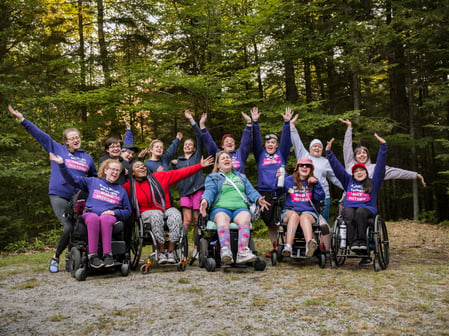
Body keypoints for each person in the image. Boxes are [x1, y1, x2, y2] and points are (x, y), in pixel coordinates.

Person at [8, 105, 97, 273]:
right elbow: (40, 135)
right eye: (72, 138)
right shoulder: (57, 148)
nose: (76, 140)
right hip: (59, 194)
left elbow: (93, 179)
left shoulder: (87, 158)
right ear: (66, 141)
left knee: (79, 227)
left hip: (78, 197)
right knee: (69, 226)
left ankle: (74, 257)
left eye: (77, 137)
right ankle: (55, 257)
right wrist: (22, 119)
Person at [124, 156, 214, 264]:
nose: (142, 168)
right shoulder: (128, 186)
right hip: (146, 213)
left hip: (164, 208)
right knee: (156, 215)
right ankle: (161, 251)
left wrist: (200, 166)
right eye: (138, 167)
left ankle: (171, 250)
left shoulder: (160, 177)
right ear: (132, 173)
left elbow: (181, 173)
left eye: (143, 166)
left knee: (175, 214)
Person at [49, 153, 132, 268]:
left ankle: (108, 255)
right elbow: (72, 179)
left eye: (118, 170)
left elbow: (128, 211)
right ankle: (92, 256)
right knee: (93, 217)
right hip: (89, 214)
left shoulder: (121, 190)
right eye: (112, 169)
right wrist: (62, 165)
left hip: (109, 217)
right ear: (106, 170)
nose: (115, 172)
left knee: (105, 218)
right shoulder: (93, 182)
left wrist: (114, 212)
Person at [326, 133, 387, 265]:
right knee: (347, 212)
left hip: (367, 209)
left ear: (366, 173)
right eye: (356, 171)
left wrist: (383, 147)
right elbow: (337, 169)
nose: (359, 173)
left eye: (362, 171)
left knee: (360, 211)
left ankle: (362, 242)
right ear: (353, 174)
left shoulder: (373, 182)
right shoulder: (348, 181)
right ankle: (353, 243)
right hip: (350, 208)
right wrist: (329, 153)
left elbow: (380, 168)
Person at [199, 151, 270, 264]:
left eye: (228, 158)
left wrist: (258, 199)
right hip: (220, 208)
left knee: (246, 216)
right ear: (217, 165)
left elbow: (250, 191)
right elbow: (210, 191)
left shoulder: (241, 177)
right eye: (223, 158)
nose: (226, 159)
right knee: (222, 218)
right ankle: (225, 250)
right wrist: (205, 200)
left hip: (240, 208)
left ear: (231, 162)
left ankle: (242, 252)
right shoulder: (213, 177)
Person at [252, 106, 293, 252]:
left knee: (283, 219)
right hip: (265, 191)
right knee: (269, 221)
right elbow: (255, 141)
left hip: (281, 190)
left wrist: (286, 123)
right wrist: (255, 123)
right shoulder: (260, 155)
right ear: (265, 145)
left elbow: (286, 141)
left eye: (273, 143)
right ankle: (276, 247)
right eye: (268, 142)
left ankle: (286, 245)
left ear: (277, 145)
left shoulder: (281, 153)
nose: (271, 144)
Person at [339, 118, 426, 187]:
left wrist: (415, 175)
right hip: (347, 200)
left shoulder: (375, 168)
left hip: (366, 202)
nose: (362, 155)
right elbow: (347, 147)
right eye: (359, 153)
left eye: (364, 153)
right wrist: (349, 128)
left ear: (368, 156)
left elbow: (395, 172)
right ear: (354, 157)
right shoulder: (350, 164)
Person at [290, 115, 343, 222]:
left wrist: (347, 186)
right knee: (308, 221)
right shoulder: (304, 155)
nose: (317, 148)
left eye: (319, 146)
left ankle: (324, 239)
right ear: (310, 148)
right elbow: (296, 142)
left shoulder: (326, 162)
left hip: (323, 197)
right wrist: (292, 126)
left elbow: (334, 178)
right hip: (305, 195)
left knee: (323, 223)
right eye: (314, 146)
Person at [174, 110, 207, 257]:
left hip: (198, 189)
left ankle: (197, 248)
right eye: (185, 144)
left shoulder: (196, 156)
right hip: (184, 192)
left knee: (196, 220)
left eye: (190, 145)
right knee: (186, 221)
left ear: (193, 148)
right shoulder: (177, 162)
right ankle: (182, 247)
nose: (187, 146)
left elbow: (199, 137)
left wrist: (192, 120)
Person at [280, 157, 326, 257]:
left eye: (307, 166)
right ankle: (288, 246)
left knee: (304, 217)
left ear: (311, 169)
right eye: (302, 165)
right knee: (294, 216)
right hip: (290, 210)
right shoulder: (288, 180)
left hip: (308, 212)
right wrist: (278, 180)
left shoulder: (314, 182)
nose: (304, 167)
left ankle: (310, 245)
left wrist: (316, 184)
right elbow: (278, 191)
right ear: (297, 168)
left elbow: (321, 197)